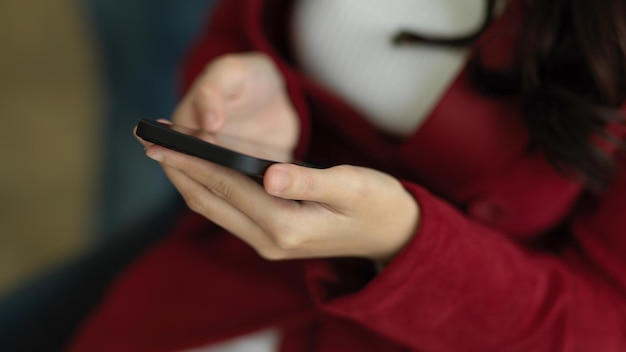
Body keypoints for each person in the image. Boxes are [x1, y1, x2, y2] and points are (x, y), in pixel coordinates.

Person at [67, 0, 626, 350]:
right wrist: (257, 78)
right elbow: (239, 23)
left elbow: (606, 326)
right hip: (203, 291)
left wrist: (406, 241)